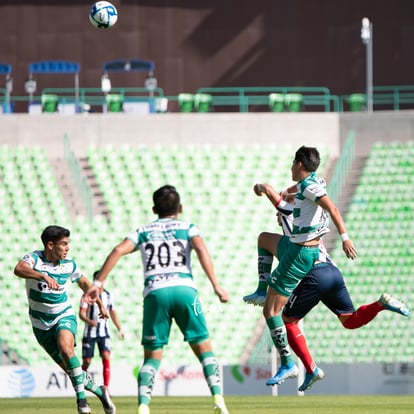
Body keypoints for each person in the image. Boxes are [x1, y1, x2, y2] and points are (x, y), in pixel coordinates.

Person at [84, 185, 230, 414]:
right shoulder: (188, 228)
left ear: (154, 209)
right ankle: (219, 400)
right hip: (185, 289)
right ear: (180, 207)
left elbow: (117, 250)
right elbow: (201, 249)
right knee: (205, 351)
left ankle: (143, 406)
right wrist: (215, 285)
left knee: (152, 357)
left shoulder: (143, 231)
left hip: (155, 292)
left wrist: (98, 283)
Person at [244, 202, 410, 391]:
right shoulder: (310, 231)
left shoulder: (295, 234)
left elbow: (282, 204)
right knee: (349, 320)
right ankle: (381, 304)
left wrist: (264, 189)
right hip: (333, 272)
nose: (277, 218)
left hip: (315, 275)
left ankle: (309, 368)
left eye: (278, 215)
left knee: (288, 320)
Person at [246, 146, 359, 388]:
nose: (289, 167)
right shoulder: (312, 182)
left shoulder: (309, 187)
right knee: (264, 239)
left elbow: (332, 207)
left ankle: (287, 363)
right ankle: (260, 288)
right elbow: (292, 195)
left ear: (298, 164)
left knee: (271, 312)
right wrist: (276, 190)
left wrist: (345, 237)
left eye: (291, 163)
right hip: (294, 244)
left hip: (300, 253)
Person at [14, 225, 116, 414]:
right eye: (64, 244)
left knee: (66, 349)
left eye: (68, 244)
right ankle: (100, 391)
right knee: (71, 369)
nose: (68, 248)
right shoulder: (34, 259)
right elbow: (18, 269)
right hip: (40, 323)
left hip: (63, 314)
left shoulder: (69, 264)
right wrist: (42, 275)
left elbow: (85, 283)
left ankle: (82, 402)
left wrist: (100, 303)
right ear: (50, 245)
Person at [80, 270, 125, 390]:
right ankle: (79, 384)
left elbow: (113, 313)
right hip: (89, 333)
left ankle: (106, 387)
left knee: (106, 355)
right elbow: (82, 313)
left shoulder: (108, 295)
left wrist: (120, 328)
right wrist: (90, 322)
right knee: (87, 362)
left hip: (104, 333)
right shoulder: (87, 295)